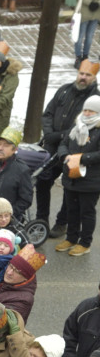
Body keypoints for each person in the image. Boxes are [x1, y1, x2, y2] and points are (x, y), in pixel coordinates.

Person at [38, 61, 100, 237]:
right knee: (43, 182)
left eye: (87, 75)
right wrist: (49, 133)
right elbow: (48, 113)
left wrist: (59, 136)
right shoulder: (64, 89)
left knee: (68, 188)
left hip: (73, 152)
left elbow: (87, 125)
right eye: (81, 73)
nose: (83, 77)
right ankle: (41, 219)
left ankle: (61, 223)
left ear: (94, 77)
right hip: (51, 147)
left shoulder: (95, 99)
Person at [54, 95, 100, 258]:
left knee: (86, 212)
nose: (87, 113)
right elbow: (63, 144)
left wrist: (81, 158)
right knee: (72, 209)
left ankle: (85, 243)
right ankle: (71, 238)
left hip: (91, 180)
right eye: (85, 109)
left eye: (91, 110)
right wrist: (64, 156)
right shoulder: (77, 125)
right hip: (71, 176)